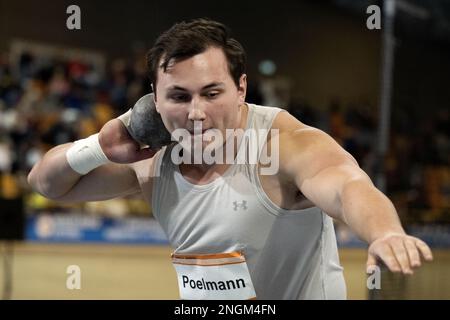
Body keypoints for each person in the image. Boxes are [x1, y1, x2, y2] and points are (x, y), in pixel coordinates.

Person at [27, 18, 433, 300]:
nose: (196, 112)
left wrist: (383, 232)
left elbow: (348, 187)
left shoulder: (284, 144)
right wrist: (98, 146)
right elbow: (47, 184)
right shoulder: (152, 155)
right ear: (155, 96)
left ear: (241, 88)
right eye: (179, 97)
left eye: (212, 92)